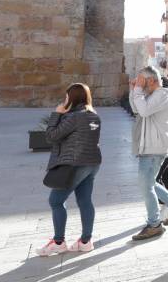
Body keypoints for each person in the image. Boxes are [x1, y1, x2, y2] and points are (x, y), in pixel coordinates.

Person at [36, 83, 102, 256]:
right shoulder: (94, 116)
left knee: (56, 201)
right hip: (92, 163)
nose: (64, 100)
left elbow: (51, 136)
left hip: (74, 164)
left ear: (72, 98)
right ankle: (86, 241)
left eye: (66, 97)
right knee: (85, 200)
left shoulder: (73, 117)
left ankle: (58, 242)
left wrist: (57, 113)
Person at [129, 67, 168, 241]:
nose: (138, 83)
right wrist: (134, 91)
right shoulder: (152, 95)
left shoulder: (162, 95)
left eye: (141, 80)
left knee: (145, 185)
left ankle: (154, 224)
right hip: (150, 146)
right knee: (149, 183)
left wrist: (138, 91)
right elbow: (137, 109)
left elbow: (145, 111)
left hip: (155, 147)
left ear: (152, 81)